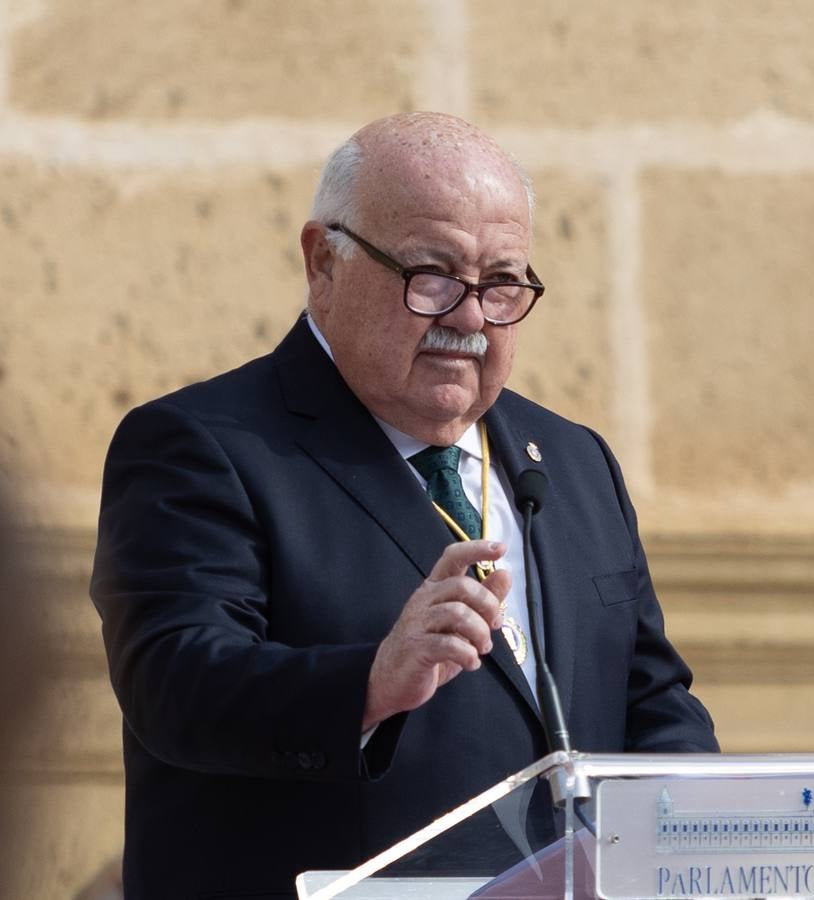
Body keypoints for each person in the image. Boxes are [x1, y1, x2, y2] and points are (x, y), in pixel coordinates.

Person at [91, 112, 717, 899]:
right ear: (325, 262)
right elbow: (177, 687)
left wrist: (703, 831)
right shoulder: (201, 446)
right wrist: (372, 681)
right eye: (433, 275)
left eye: (501, 283)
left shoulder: (572, 461)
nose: (470, 316)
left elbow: (650, 699)